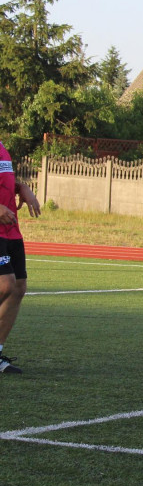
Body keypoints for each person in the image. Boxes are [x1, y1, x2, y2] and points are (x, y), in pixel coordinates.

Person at [0, 136, 41, 374]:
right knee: (5, 285)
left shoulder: (3, 147)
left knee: (18, 288)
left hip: (11, 229)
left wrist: (22, 188)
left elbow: (6, 185)